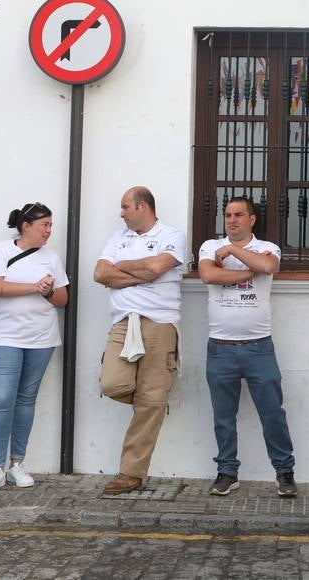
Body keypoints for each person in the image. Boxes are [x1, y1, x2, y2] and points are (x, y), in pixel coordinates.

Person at [196, 196, 297, 498]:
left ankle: (284, 472)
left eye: (239, 214)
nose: (232, 220)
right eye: (228, 214)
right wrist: (247, 271)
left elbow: (269, 265)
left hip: (258, 347)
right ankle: (227, 472)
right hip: (221, 347)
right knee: (223, 417)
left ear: (252, 219)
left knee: (272, 414)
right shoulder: (210, 247)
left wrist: (233, 252)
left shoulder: (268, 247)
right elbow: (208, 274)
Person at [93, 187, 187, 495]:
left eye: (124, 207)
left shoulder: (172, 235)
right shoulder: (118, 238)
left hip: (160, 324)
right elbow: (100, 273)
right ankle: (154, 404)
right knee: (112, 384)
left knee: (150, 399)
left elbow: (159, 267)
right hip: (123, 322)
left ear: (142, 206)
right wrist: (142, 273)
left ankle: (130, 473)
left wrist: (122, 268)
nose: (121, 213)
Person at [0, 202, 69, 494]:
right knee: (2, 398)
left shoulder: (51, 257)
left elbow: (63, 299)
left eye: (51, 226)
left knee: (26, 399)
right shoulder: (2, 250)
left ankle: (17, 463)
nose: (48, 231)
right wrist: (34, 287)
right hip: (5, 336)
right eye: (44, 225)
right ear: (26, 226)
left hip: (41, 337)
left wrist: (49, 291)